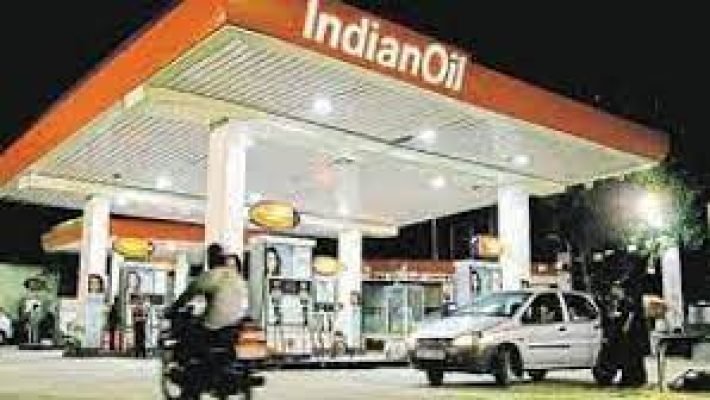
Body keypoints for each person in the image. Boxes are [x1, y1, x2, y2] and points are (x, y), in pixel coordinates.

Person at [170, 243, 249, 358]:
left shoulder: (211, 275)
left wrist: (174, 308)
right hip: (236, 325)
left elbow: (188, 293)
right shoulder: (238, 278)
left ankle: (193, 359)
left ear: (210, 259)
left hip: (216, 327)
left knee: (190, 330)